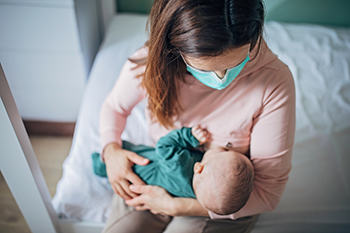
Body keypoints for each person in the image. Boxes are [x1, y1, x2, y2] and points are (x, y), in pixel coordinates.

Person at [99, 0, 296, 232]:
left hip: (222, 196)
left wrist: (178, 206)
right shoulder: (154, 63)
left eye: (235, 64)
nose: (221, 78)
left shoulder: (273, 82)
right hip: (161, 171)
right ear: (175, 48)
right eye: (205, 69)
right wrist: (111, 150)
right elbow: (115, 108)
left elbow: (266, 194)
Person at [93, 126, 254, 215]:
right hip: (136, 187)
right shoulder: (201, 193)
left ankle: (97, 162)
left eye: (224, 152)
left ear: (199, 167)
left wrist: (189, 136)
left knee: (114, 157)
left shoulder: (178, 163)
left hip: (133, 167)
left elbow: (163, 144)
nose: (223, 149)